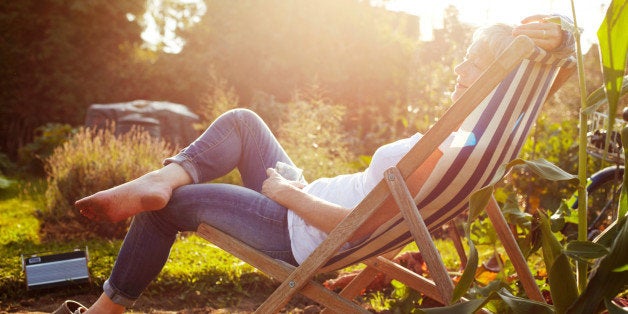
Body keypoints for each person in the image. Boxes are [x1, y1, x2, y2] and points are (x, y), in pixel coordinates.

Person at [54, 14, 574, 314]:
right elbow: (557, 70)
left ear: (496, 80)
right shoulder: (478, 136)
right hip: (308, 205)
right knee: (243, 123)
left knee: (168, 210)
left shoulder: (454, 144)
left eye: (475, 62)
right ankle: (162, 176)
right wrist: (560, 37)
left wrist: (286, 196)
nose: (460, 67)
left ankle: (107, 306)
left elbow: (356, 227)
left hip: (299, 228)